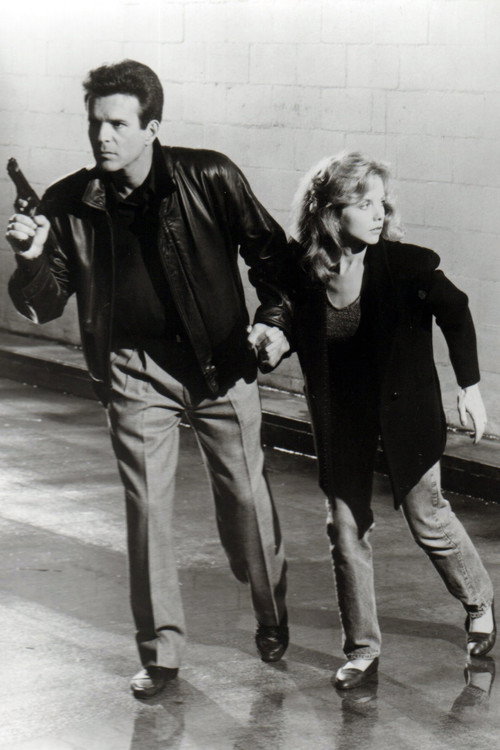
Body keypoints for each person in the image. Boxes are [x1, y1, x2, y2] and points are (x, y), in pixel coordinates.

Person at [5, 59, 291, 698]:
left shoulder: (210, 177)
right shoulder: (69, 202)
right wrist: (29, 260)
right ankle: (161, 653)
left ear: (152, 127)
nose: (103, 136)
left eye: (117, 124)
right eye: (95, 123)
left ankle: (272, 610)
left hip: (221, 366)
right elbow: (44, 304)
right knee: (147, 511)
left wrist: (273, 320)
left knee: (246, 505)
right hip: (135, 371)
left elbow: (275, 257)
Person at [262, 151, 495, 690]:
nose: (378, 213)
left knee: (427, 517)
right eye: (363, 203)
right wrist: (273, 342)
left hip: (405, 411)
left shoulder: (404, 266)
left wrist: (470, 387)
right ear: (329, 211)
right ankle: (362, 650)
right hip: (343, 416)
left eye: (381, 203)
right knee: (345, 528)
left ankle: (479, 601)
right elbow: (294, 327)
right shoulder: (305, 273)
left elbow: (455, 309)